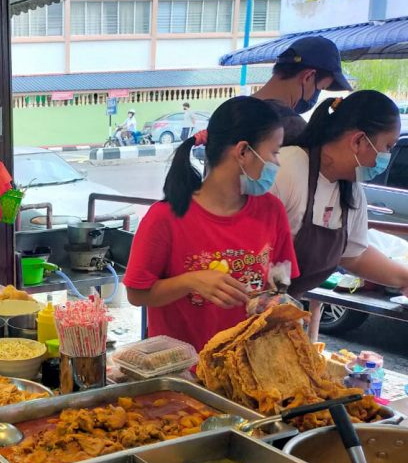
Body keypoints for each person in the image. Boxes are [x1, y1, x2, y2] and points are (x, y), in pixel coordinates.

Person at [124, 97, 299, 351]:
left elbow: (279, 281)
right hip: (183, 375)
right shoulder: (165, 217)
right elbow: (136, 294)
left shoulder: (272, 211)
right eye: (274, 152)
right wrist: (191, 281)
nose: (278, 163)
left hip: (246, 368)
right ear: (242, 152)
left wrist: (276, 303)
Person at [271, 90, 408, 297]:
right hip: (244, 306)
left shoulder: (351, 190)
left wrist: (405, 278)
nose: (387, 156)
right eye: (388, 146)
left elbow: (355, 256)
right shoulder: (285, 169)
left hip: (281, 308)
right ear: (359, 141)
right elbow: (248, 248)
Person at [252, 35, 351, 145]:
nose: (316, 95)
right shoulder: (292, 127)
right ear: (308, 77)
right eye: (320, 88)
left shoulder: (234, 108)